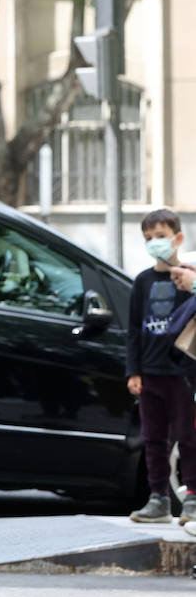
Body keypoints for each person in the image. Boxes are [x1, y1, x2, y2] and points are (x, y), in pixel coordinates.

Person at [126, 209, 196, 523]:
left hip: (182, 374)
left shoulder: (188, 277)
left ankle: (192, 496)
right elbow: (133, 330)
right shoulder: (142, 281)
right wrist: (133, 370)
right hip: (150, 373)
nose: (155, 243)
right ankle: (158, 498)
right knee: (153, 438)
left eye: (161, 237)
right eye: (149, 238)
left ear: (178, 238)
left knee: (189, 436)